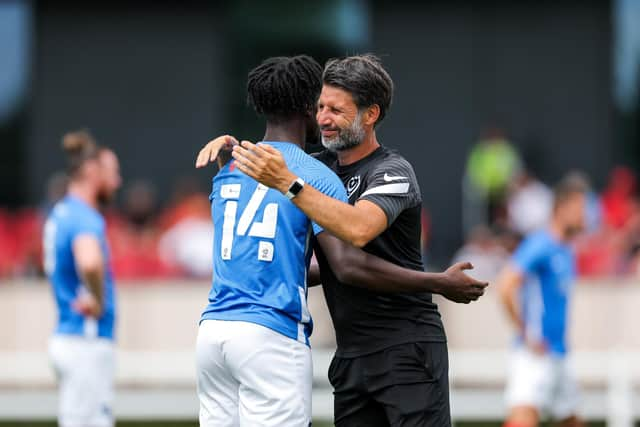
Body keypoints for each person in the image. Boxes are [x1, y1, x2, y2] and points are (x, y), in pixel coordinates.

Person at [199, 54, 480, 426]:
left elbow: (358, 233)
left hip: (405, 348)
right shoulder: (317, 169)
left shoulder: (392, 171)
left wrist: (439, 282)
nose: (324, 118)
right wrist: (234, 157)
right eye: (320, 107)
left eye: (336, 109)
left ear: (370, 114)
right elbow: (320, 262)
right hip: (350, 356)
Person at [43, 130, 122, 427]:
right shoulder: (84, 216)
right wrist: (99, 301)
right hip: (85, 338)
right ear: (91, 171)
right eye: (112, 173)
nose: (117, 182)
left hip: (70, 335)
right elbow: (89, 263)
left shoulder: (61, 211)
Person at [496, 174, 588, 427]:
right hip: (534, 354)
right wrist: (524, 331)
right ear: (563, 207)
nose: (585, 215)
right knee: (523, 419)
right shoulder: (540, 245)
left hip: (559, 352)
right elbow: (505, 285)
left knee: (572, 420)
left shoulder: (566, 249)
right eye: (580, 208)